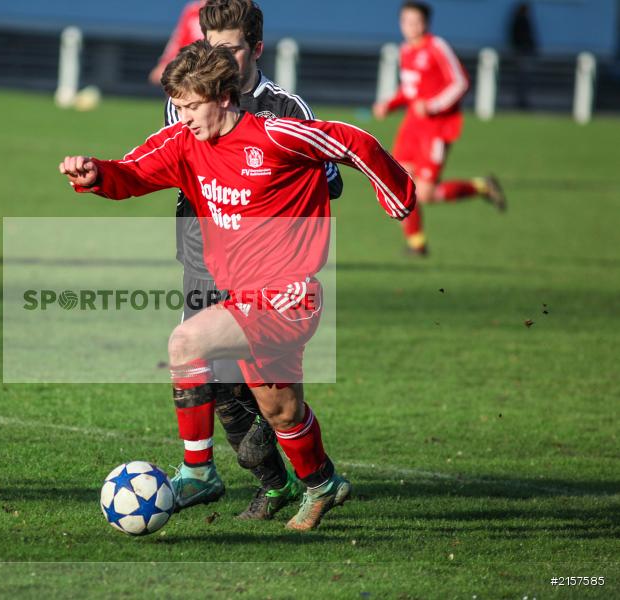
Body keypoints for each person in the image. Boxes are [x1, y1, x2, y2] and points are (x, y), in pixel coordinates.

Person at [59, 41, 416, 530]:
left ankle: (199, 470)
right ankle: (322, 483)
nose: (181, 116)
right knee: (282, 411)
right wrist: (96, 173)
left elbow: (353, 141)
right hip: (242, 298)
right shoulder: (184, 143)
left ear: (224, 96)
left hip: (290, 296)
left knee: (186, 341)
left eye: (190, 105)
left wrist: (397, 192)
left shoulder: (275, 136)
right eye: (178, 106)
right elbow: (134, 172)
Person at [161, 0, 345, 521]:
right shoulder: (186, 99)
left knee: (269, 392)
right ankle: (272, 482)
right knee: (211, 377)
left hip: (269, 270)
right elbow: (175, 159)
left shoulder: (287, 110)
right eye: (211, 48)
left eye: (232, 49)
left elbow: (330, 179)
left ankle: (302, 477)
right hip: (201, 256)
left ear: (256, 49)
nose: (220, 58)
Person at [373, 1, 505, 257]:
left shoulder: (437, 47)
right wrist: (389, 104)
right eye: (406, 21)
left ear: (425, 23)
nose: (411, 27)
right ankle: (417, 243)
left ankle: (482, 187)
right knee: (400, 183)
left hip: (437, 128)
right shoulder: (405, 51)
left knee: (426, 193)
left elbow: (460, 82)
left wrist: (433, 106)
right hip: (412, 127)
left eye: (416, 22)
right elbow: (410, 90)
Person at [149, 1, 206, 86]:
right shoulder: (192, 10)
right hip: (186, 66)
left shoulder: (222, 12)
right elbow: (178, 40)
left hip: (207, 68)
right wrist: (164, 63)